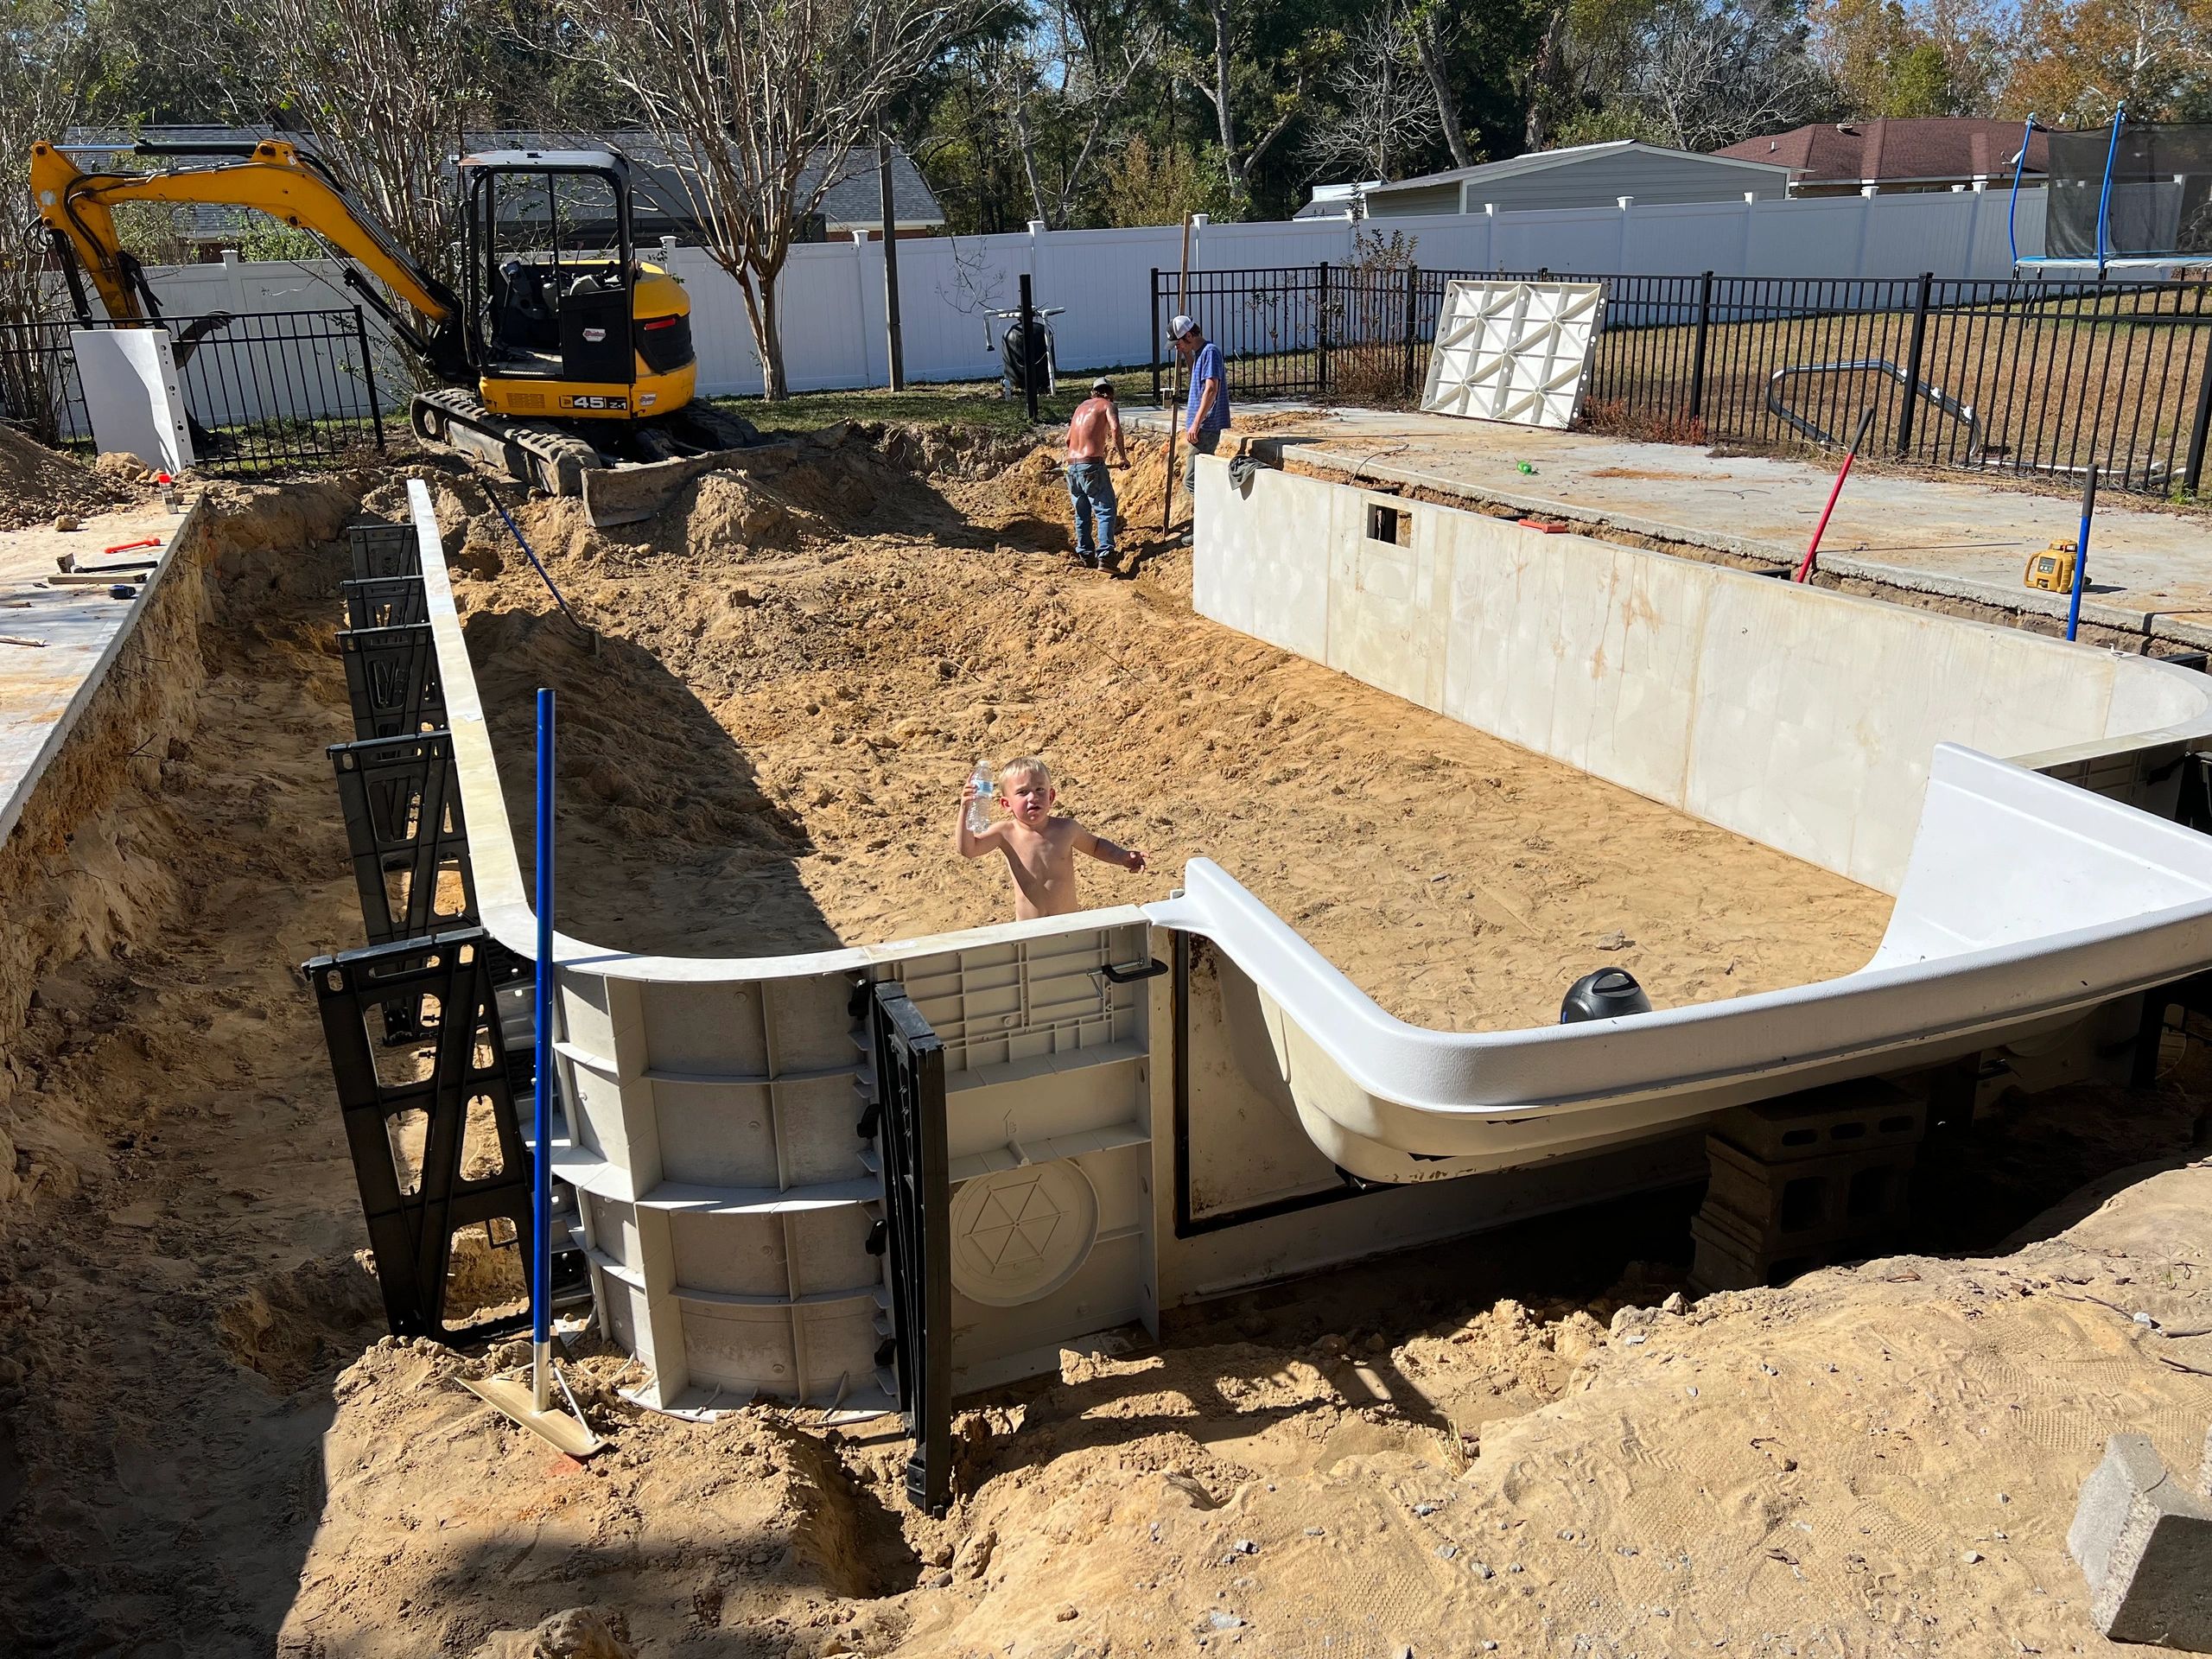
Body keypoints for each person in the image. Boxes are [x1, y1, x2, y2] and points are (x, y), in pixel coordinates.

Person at [954, 756, 1146, 920]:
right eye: (1022, 792)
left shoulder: (1066, 829)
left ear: (1051, 796)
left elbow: (1095, 846)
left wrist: (1122, 856)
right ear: (1006, 804)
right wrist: (965, 809)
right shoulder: (1005, 833)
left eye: (1040, 790)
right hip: (1029, 930)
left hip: (1068, 923)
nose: (1032, 797)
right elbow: (968, 850)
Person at [1064, 376, 1128, 569]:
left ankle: (1085, 554)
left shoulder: (1080, 408)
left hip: (1071, 466)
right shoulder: (1107, 405)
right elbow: (1115, 429)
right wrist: (1123, 457)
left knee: (1081, 513)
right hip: (1091, 465)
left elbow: (1068, 440)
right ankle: (1106, 556)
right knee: (1106, 510)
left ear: (1093, 392)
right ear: (1110, 393)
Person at [1170, 314, 1230, 517]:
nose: (1176, 348)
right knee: (1200, 479)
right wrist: (1187, 354)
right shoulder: (1200, 354)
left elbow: (1211, 389)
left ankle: (1213, 522)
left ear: (1188, 335)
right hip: (1200, 428)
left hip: (1205, 428)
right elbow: (1197, 376)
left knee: (1193, 481)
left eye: (1178, 343)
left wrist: (1196, 423)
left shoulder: (1211, 352)